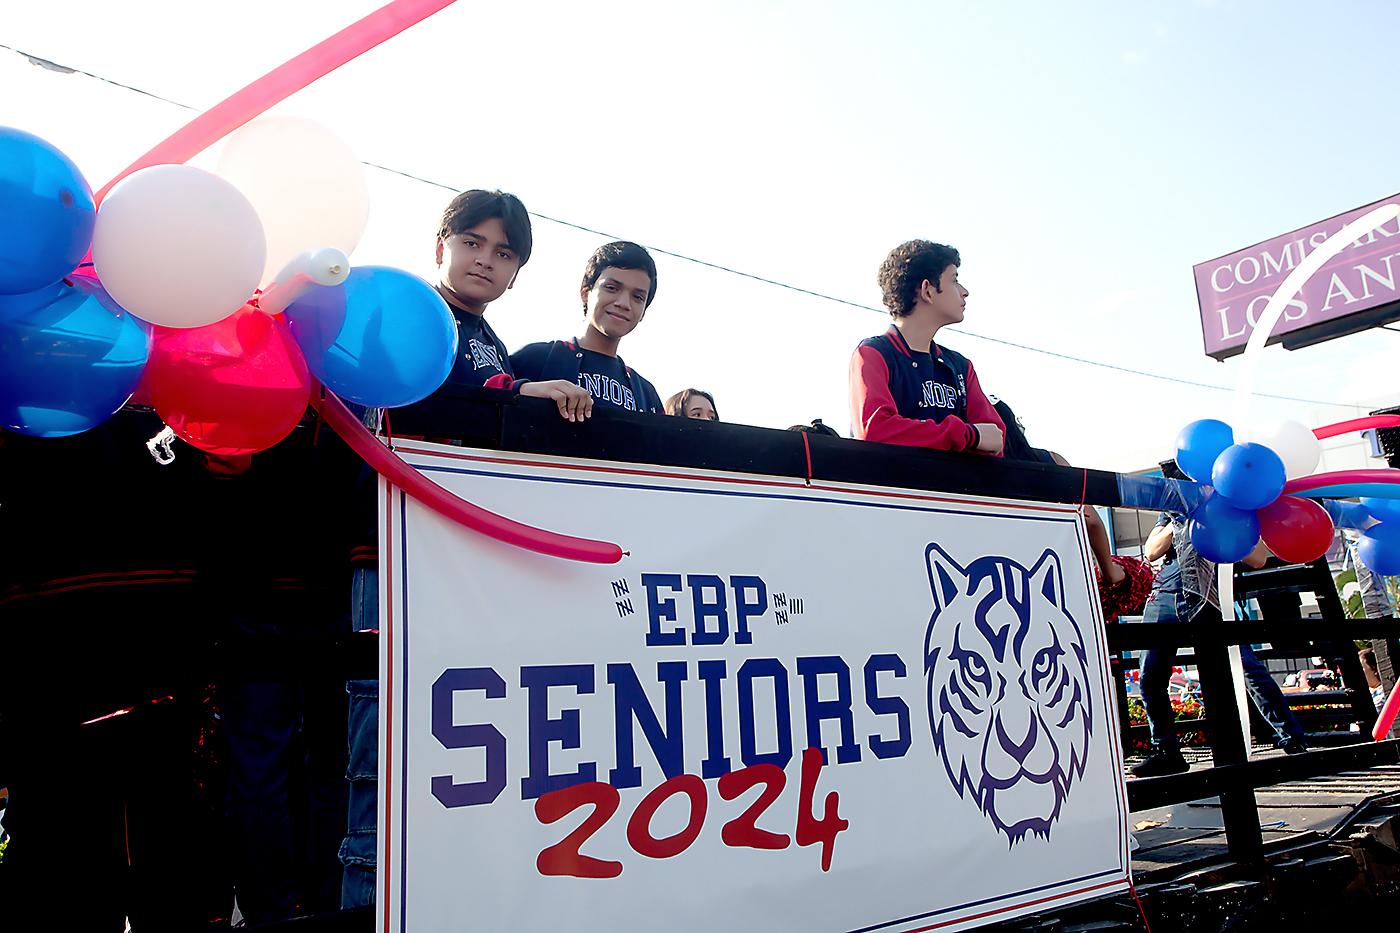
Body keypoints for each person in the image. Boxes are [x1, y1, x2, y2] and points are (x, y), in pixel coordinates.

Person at [1131, 459, 1309, 778]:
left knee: (1243, 666)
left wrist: (1217, 522)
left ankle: (1291, 737)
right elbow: (1151, 551)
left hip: (1208, 591)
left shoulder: (1228, 503)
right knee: (1150, 675)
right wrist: (1182, 513)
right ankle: (1166, 750)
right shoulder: (1171, 507)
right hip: (1167, 592)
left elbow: (1258, 557)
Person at [849, 240, 1004, 454]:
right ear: (927, 291)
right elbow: (876, 431)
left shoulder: (960, 366)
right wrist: (969, 436)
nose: (964, 291)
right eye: (954, 280)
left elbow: (996, 439)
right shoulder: (873, 354)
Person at [510, 241, 664, 414]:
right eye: (612, 288)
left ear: (643, 312)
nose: (623, 303)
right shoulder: (536, 359)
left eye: (638, 297)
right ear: (585, 293)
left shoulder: (646, 395)